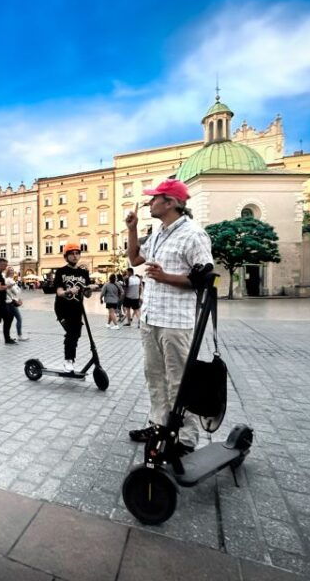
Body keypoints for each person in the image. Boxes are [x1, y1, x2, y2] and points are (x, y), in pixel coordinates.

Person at [125, 179, 214, 456]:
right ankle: (159, 426)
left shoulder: (193, 235)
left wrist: (166, 277)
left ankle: (185, 439)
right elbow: (134, 260)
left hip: (175, 322)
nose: (150, 203)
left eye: (155, 198)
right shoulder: (158, 233)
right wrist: (132, 229)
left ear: (171, 202)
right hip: (151, 318)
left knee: (179, 381)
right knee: (154, 376)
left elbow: (205, 279)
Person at [54, 243, 97, 371]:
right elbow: (59, 292)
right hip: (63, 309)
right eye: (71, 254)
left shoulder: (84, 272)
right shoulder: (61, 272)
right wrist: (68, 291)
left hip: (77, 309)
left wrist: (90, 289)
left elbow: (87, 295)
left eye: (77, 253)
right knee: (71, 333)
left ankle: (70, 359)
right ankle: (68, 360)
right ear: (66, 257)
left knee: (76, 334)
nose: (75, 256)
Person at [5, 266, 28, 341]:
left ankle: (8, 337)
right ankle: (19, 336)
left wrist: (17, 288)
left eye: (12, 270)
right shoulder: (10, 280)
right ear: (8, 272)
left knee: (10, 320)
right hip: (11, 302)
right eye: (10, 270)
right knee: (19, 319)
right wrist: (17, 287)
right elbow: (16, 292)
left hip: (10, 302)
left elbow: (16, 291)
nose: (12, 272)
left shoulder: (9, 280)